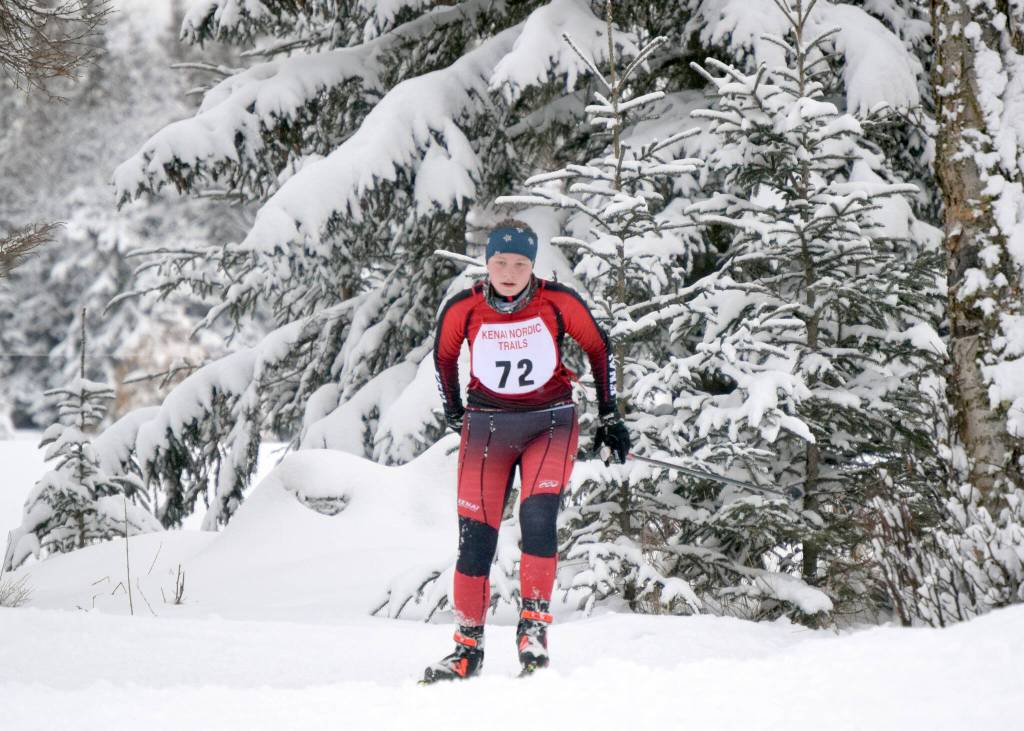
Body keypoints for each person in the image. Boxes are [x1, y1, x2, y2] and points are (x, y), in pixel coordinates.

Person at [423, 220, 631, 682]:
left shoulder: (557, 302)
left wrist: (610, 415)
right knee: (475, 540)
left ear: (533, 265)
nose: (510, 271)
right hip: (487, 428)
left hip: (550, 423)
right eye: (500, 262)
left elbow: (600, 348)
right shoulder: (465, 308)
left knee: (538, 517)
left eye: (520, 263)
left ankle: (533, 629)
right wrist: (455, 410)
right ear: (487, 263)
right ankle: (466, 649)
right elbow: (443, 355)